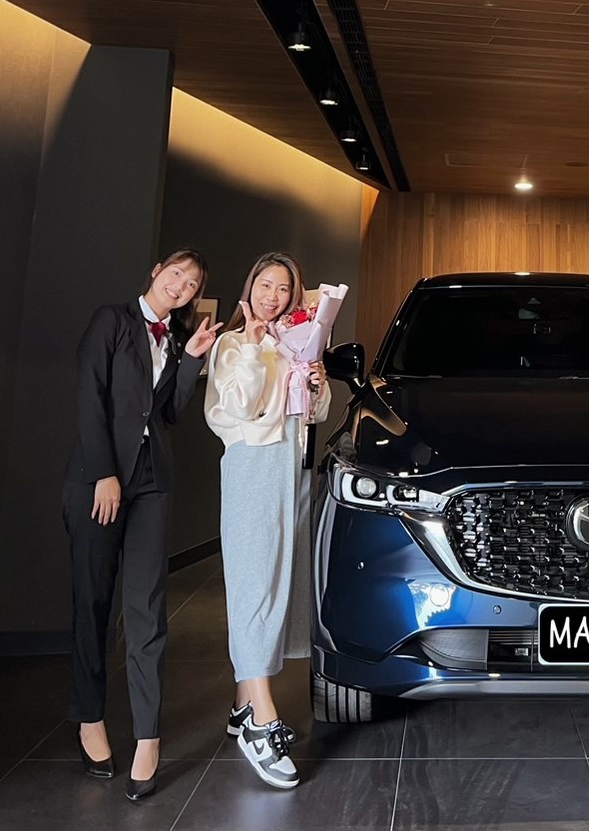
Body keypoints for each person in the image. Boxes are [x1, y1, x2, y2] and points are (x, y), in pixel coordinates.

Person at [64, 249, 221, 801]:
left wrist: (193, 359)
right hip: (99, 480)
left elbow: (170, 412)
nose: (181, 285)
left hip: (152, 481)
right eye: (176, 274)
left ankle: (148, 739)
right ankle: (89, 719)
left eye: (192, 283)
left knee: (148, 609)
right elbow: (89, 395)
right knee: (93, 603)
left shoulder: (176, 339)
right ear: (157, 272)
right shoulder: (112, 320)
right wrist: (103, 472)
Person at [204, 252, 331, 789]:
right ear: (250, 286)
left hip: (291, 469)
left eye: (284, 289)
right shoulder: (234, 344)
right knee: (255, 584)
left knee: (280, 582)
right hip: (253, 466)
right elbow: (238, 407)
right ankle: (261, 719)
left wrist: (316, 381)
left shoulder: (295, 344)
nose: (273, 296)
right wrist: (258, 348)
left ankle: (241, 706)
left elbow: (313, 415)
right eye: (265, 284)